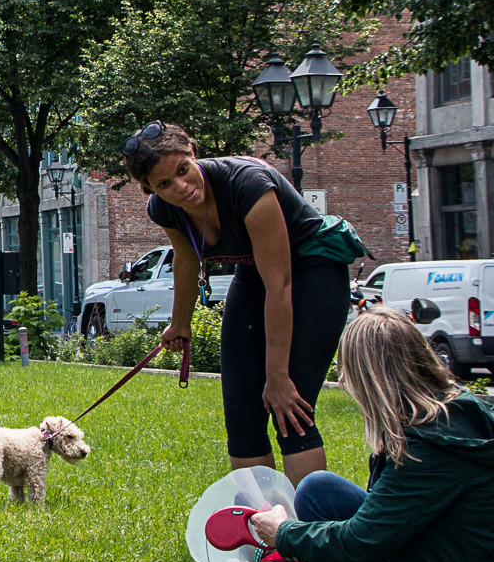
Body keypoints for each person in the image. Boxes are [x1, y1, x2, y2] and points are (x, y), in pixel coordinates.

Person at [246, 308, 494, 562]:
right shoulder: (458, 411)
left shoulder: (427, 449)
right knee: (319, 490)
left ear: (370, 380)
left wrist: (284, 533)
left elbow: (362, 541)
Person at [122, 121, 357, 485]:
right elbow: (186, 258)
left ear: (192, 154)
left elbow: (279, 285)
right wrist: (179, 322)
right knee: (242, 420)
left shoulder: (248, 184)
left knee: (289, 412)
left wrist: (277, 376)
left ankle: (310, 530)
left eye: (184, 171)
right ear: (148, 188)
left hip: (311, 271)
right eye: (164, 184)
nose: (181, 188)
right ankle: (264, 531)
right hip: (252, 273)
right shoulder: (164, 209)